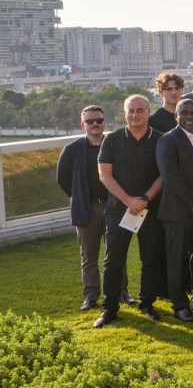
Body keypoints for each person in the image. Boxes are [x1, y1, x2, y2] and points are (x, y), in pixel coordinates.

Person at [96, 95, 167, 327]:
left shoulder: (160, 139)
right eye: (131, 111)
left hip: (150, 209)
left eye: (140, 110)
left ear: (148, 112)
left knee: (151, 258)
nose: (135, 115)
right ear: (124, 113)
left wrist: (145, 199)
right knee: (113, 261)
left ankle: (147, 304)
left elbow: (163, 175)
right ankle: (110, 308)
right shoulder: (112, 140)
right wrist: (129, 200)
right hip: (119, 210)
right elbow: (104, 175)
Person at [57, 105, 131, 311]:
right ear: (83, 125)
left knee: (117, 253)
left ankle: (122, 292)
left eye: (99, 120)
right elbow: (62, 178)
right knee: (89, 256)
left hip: (114, 207)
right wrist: (79, 197)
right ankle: (90, 296)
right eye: (90, 121)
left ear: (104, 122)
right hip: (86, 209)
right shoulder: (72, 150)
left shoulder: (115, 144)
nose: (95, 124)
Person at [156, 99, 193, 322]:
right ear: (176, 116)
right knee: (177, 260)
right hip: (177, 212)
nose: (189, 116)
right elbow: (171, 177)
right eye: (184, 112)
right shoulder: (168, 140)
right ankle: (180, 305)